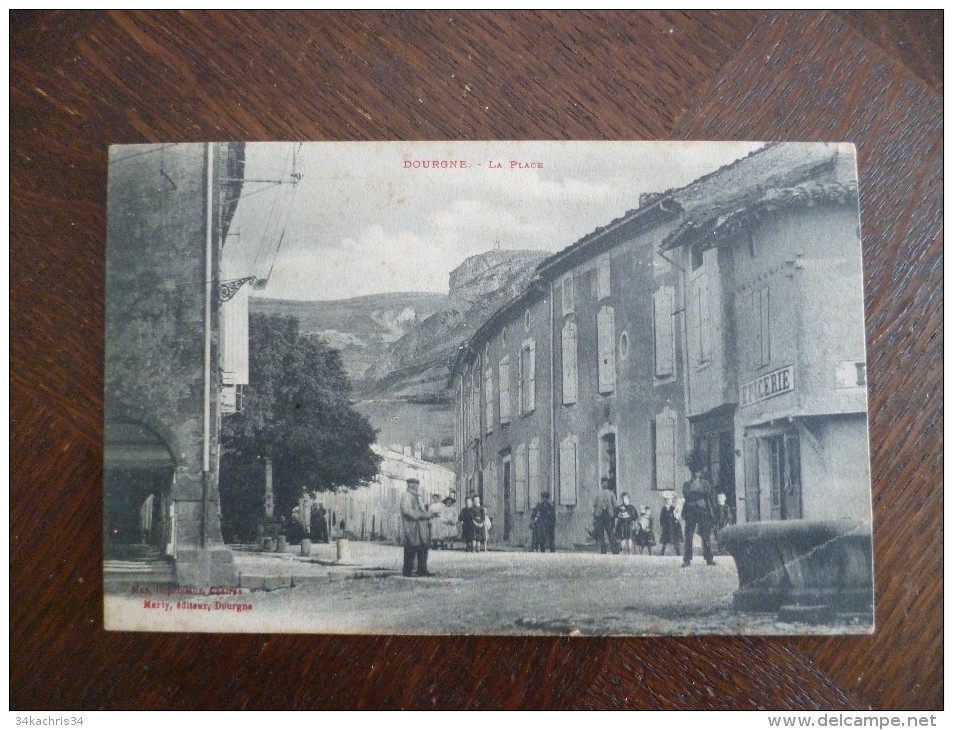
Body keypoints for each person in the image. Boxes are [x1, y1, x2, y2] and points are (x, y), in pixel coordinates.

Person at [681, 455, 716, 567]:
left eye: (699, 471)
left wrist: (694, 494)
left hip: (703, 511)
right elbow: (687, 494)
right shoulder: (686, 484)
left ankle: (709, 558)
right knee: (689, 535)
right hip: (690, 511)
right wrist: (698, 494)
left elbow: (707, 492)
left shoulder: (705, 483)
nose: (697, 474)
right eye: (695, 471)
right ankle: (687, 559)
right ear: (692, 472)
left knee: (705, 535)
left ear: (701, 472)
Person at [399, 477, 438, 577]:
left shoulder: (418, 497)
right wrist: (422, 515)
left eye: (417, 485)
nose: (416, 487)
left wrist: (429, 514)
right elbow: (407, 511)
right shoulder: (406, 496)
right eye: (415, 485)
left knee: (423, 548)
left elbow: (423, 510)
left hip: (421, 528)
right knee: (410, 549)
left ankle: (422, 570)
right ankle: (407, 572)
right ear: (410, 485)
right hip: (411, 527)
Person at [592, 477, 617, 554]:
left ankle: (614, 548)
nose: (604, 484)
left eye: (606, 482)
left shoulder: (611, 494)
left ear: (608, 484)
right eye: (603, 483)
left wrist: (613, 514)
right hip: (600, 516)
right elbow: (594, 504)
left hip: (608, 516)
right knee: (601, 533)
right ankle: (603, 549)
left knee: (610, 532)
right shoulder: (598, 494)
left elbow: (615, 505)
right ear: (601, 484)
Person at [658, 491, 683, 557]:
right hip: (667, 527)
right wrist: (663, 524)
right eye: (669, 500)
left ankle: (678, 553)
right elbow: (662, 517)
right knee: (665, 540)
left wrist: (676, 520)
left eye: (671, 500)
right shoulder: (664, 508)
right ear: (666, 501)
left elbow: (676, 515)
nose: (670, 501)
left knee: (675, 540)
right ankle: (662, 552)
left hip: (673, 526)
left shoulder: (673, 508)